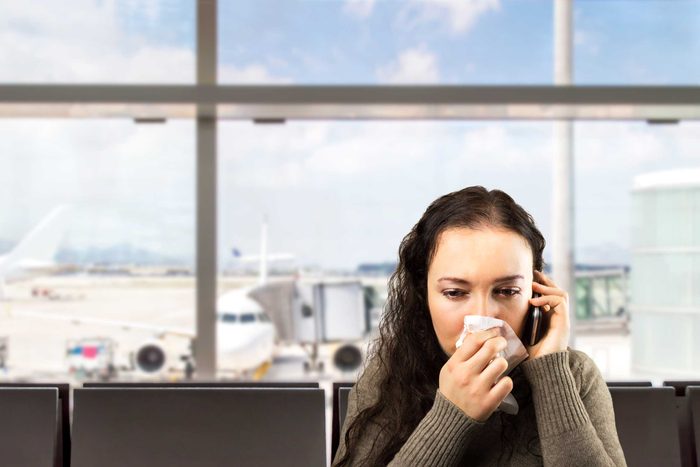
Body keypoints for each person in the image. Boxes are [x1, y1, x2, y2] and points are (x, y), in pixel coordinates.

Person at [333, 186, 626, 467]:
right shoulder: (389, 377)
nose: (485, 317)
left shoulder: (574, 375)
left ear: (536, 293)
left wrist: (551, 373)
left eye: (508, 291)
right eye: (455, 293)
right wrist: (451, 415)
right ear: (424, 296)